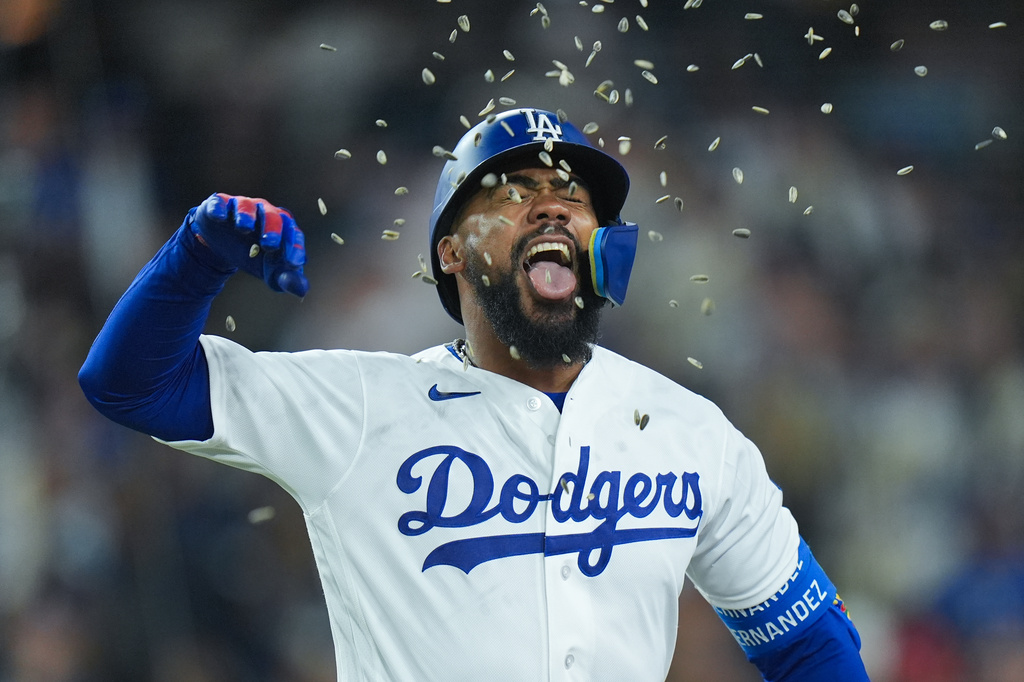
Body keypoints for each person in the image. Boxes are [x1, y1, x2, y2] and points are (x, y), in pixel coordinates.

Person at [79, 107, 869, 680]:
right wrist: (193, 260)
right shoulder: (364, 404)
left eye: (573, 195)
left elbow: (808, 645)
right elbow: (131, 384)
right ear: (452, 253)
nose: (553, 202)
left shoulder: (691, 432)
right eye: (513, 191)